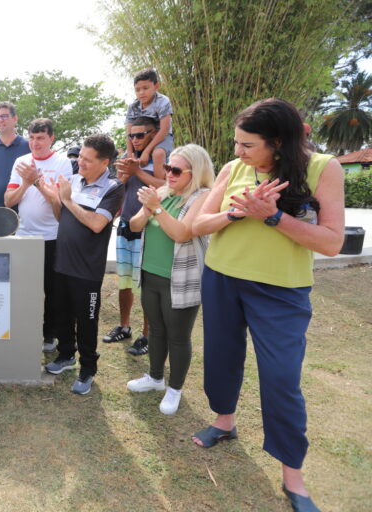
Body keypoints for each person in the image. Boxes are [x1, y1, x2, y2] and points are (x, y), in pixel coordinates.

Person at [192, 98, 344, 512]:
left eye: (248, 145)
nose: (238, 152)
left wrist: (273, 217)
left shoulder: (322, 168)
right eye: (236, 143)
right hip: (222, 277)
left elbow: (331, 243)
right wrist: (237, 215)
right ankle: (225, 422)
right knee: (221, 358)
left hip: (281, 289)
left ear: (278, 143)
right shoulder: (232, 168)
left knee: (281, 378)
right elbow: (197, 225)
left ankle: (292, 476)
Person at [125, 144, 214, 415]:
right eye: (167, 168)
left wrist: (157, 209)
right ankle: (155, 378)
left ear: (194, 173)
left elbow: (183, 233)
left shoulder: (203, 196)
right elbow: (134, 225)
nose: (169, 174)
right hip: (151, 274)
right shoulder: (163, 193)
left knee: (178, 336)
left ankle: (175, 389)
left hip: (180, 278)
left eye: (176, 170)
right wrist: (148, 207)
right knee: (156, 329)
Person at [38, 134, 125, 395]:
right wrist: (57, 198)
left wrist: (66, 200)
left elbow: (97, 224)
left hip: (86, 269)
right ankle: (66, 355)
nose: (81, 164)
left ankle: (88, 368)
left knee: (86, 320)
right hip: (62, 262)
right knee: (61, 314)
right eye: (81, 158)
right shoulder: (74, 180)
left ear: (105, 162)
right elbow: (60, 216)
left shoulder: (113, 187)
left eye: (87, 160)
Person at [5, 118, 73, 353]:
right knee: (25, 289)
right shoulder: (21, 162)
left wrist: (36, 181)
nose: (35, 143)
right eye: (32, 138)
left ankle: (49, 334)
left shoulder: (63, 163)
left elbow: (60, 201)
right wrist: (26, 183)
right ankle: (25, 331)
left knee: (52, 291)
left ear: (51, 138)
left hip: (52, 236)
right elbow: (8, 200)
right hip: (24, 236)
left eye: (41, 138)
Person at [102, 117, 166, 355]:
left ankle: (148, 336)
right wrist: (125, 174)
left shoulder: (160, 157)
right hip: (126, 223)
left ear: (154, 133)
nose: (136, 140)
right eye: (132, 135)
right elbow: (115, 188)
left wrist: (138, 170)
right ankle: (124, 326)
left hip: (149, 228)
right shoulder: (129, 159)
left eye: (141, 135)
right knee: (125, 280)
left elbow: (165, 186)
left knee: (147, 285)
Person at [0, 101, 31, 207]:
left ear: (15, 119)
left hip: (22, 209)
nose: (0, 120)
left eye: (4, 116)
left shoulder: (28, 146)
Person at [125, 68, 174, 169]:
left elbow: (164, 130)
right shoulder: (133, 106)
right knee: (124, 159)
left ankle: (159, 183)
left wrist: (147, 151)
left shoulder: (163, 102)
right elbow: (129, 133)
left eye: (145, 88)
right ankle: (120, 185)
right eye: (137, 90)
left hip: (161, 138)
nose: (141, 93)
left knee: (158, 154)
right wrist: (130, 154)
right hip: (140, 138)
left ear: (156, 86)